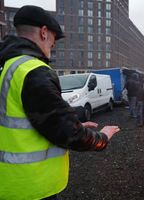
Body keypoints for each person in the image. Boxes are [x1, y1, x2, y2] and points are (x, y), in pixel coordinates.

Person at [0, 5, 120, 200]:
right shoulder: (34, 72)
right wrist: (102, 138)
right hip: (31, 186)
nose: (53, 45)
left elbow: (27, 120)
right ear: (44, 32)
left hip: (8, 182)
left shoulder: (7, 67)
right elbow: (69, 134)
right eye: (54, 38)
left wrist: (74, 124)